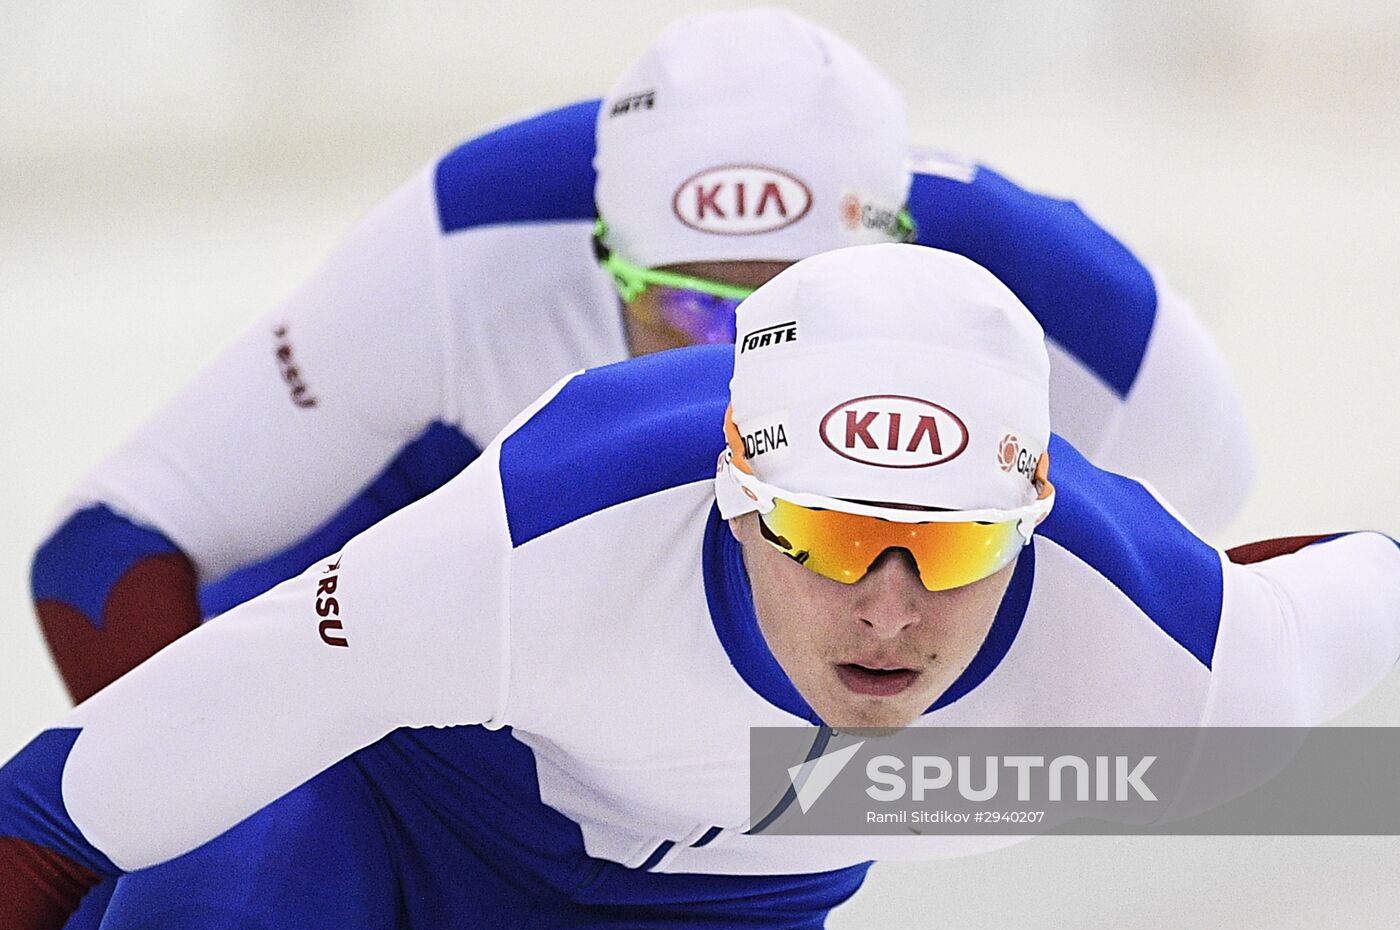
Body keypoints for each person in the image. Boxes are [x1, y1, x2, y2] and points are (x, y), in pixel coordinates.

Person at [1, 244, 1396, 930]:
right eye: (840, 536)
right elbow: (61, 805)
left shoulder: (1181, 667)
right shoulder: (537, 540)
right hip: (400, 797)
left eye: (961, 546)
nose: (895, 614)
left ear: (1033, 519)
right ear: (736, 497)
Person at [30, 9, 1254, 707]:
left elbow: (1192, 614)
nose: (736, 356)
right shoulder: (469, 247)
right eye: (684, 306)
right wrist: (198, 796)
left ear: (900, 253)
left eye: (792, 308)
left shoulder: (1090, 330)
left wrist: (816, 776)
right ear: (600, 248)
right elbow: (102, 554)